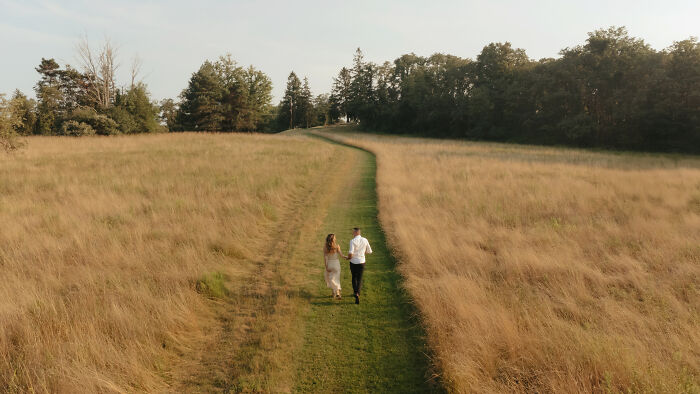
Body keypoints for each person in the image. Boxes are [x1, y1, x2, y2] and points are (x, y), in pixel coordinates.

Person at [346, 227, 372, 304]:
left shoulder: (352, 241)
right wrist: (363, 253)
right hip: (362, 262)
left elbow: (351, 253)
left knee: (354, 277)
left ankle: (355, 292)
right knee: (360, 278)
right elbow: (369, 251)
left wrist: (348, 258)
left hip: (353, 262)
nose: (352, 233)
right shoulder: (365, 240)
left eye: (353, 232)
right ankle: (358, 293)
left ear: (356, 233)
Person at [323, 233, 346, 299]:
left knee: (331, 279)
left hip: (330, 264)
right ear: (333, 239)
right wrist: (347, 257)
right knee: (336, 278)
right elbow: (341, 255)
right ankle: (337, 293)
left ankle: (334, 293)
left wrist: (326, 267)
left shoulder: (325, 247)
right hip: (336, 264)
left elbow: (325, 258)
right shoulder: (337, 246)